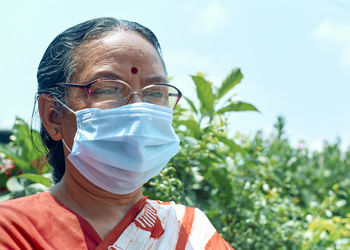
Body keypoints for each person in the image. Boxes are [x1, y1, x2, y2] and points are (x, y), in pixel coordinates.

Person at [0, 17, 233, 249]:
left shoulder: (193, 236)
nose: (138, 110)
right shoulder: (14, 231)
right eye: (108, 89)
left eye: (155, 93)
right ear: (53, 115)